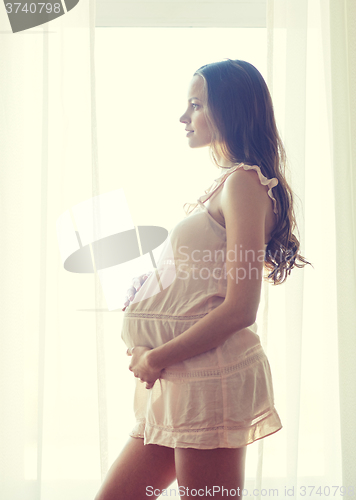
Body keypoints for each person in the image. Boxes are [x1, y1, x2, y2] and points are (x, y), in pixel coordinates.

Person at [94, 59, 312, 500]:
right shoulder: (225, 185)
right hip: (179, 379)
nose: (183, 117)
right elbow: (202, 285)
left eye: (195, 105)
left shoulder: (245, 184)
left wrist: (155, 358)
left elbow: (240, 307)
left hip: (206, 379)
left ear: (230, 111)